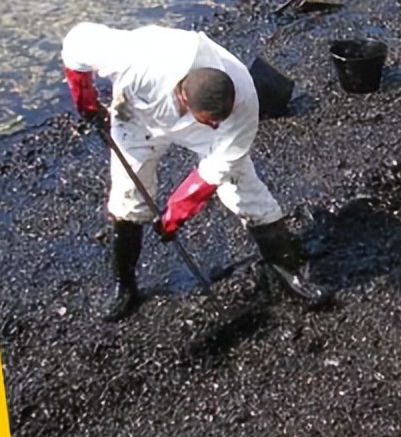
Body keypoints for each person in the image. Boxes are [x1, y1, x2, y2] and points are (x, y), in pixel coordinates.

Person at [61, 22, 327, 321]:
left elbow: (218, 166)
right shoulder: (135, 56)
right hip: (137, 117)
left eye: (219, 119)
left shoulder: (244, 98)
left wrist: (175, 214)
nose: (216, 124)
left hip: (204, 134)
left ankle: (287, 269)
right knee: (129, 197)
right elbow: (76, 44)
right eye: (211, 119)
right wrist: (86, 103)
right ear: (185, 98)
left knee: (243, 189)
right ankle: (126, 288)